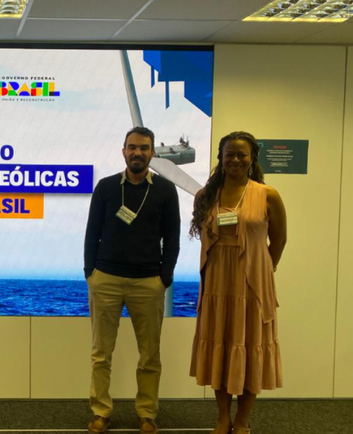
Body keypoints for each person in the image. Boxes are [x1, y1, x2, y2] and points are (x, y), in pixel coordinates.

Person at [83, 126, 181, 434]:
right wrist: (91, 273)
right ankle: (100, 412)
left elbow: (173, 238)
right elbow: (92, 233)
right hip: (106, 280)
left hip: (148, 283)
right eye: (132, 147)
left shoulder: (165, 190)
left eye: (144, 148)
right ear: (123, 151)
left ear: (152, 153)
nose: (138, 152)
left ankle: (147, 414)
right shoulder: (106, 187)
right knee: (101, 354)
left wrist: (164, 278)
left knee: (150, 356)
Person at [189, 131, 287, 434]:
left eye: (241, 154)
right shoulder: (206, 195)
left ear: (252, 158)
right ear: (221, 158)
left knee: (249, 347)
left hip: (253, 285)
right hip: (217, 283)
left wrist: (264, 270)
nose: (235, 159)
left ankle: (242, 420)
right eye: (229, 154)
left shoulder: (268, 195)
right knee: (220, 348)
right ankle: (223, 418)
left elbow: (279, 240)